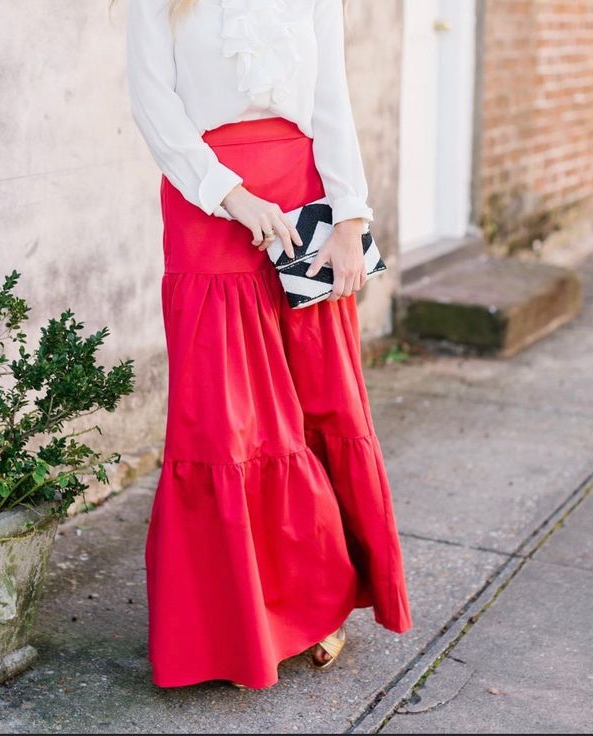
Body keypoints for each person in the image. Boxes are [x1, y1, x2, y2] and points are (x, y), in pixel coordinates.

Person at [126, 0, 411, 690]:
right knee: (224, 422)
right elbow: (153, 105)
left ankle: (320, 605)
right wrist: (233, 196)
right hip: (207, 204)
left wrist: (350, 217)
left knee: (321, 403)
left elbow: (332, 100)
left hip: (305, 202)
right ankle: (236, 628)